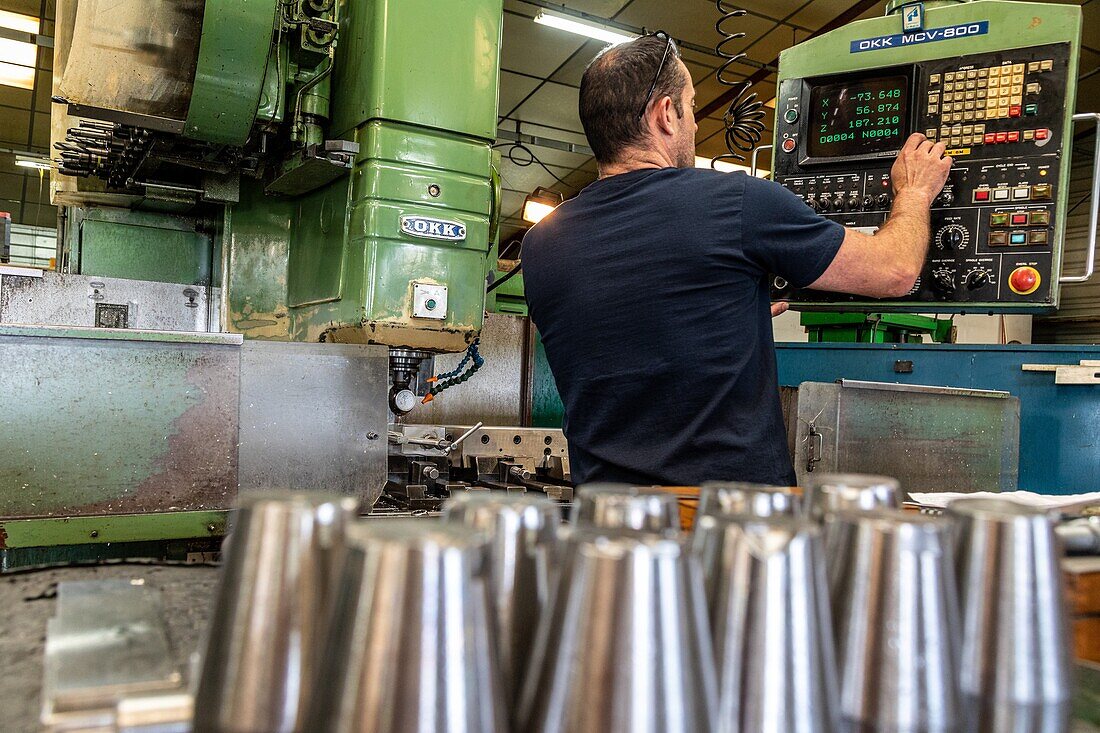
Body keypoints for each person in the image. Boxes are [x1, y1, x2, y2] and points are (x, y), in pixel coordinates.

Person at [521, 33, 953, 487]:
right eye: (690, 105)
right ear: (665, 114)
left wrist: (724, 317)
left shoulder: (542, 244)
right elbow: (896, 270)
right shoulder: (739, 203)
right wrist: (915, 192)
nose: (692, 125)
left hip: (611, 525)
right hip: (731, 529)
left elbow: (630, 332)